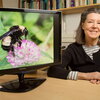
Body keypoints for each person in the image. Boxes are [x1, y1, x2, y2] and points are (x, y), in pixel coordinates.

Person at [47, 7, 100, 84]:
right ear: (83, 25)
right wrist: (88, 76)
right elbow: (53, 70)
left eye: (99, 23)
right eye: (90, 22)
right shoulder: (73, 49)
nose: (95, 26)